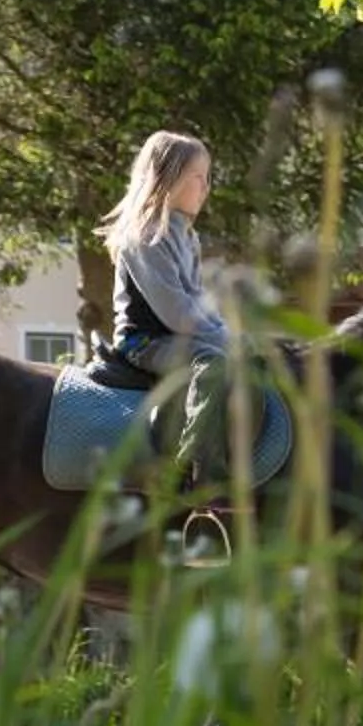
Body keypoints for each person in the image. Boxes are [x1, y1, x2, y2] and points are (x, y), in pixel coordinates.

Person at [100, 131, 236, 489]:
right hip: (145, 341)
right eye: (197, 177)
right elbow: (176, 311)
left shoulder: (187, 236)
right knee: (212, 365)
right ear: (167, 179)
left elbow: (198, 303)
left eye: (208, 178)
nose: (206, 187)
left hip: (179, 338)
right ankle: (195, 468)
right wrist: (226, 344)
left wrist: (234, 337)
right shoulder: (145, 236)